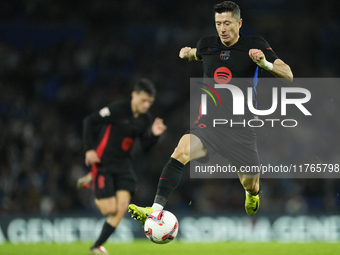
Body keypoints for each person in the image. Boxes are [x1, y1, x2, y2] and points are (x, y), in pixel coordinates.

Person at [128, 1, 293, 225]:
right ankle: (155, 211)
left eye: (227, 23)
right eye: (218, 23)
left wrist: (266, 64)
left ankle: (252, 194)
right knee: (181, 151)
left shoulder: (255, 45)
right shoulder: (207, 45)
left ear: (239, 22)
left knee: (250, 184)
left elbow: (288, 75)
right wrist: (188, 53)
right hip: (209, 126)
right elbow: (201, 54)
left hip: (241, 131)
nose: (222, 28)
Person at [79, 78, 166, 254]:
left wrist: (154, 135)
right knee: (108, 209)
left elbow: (145, 146)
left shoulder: (145, 119)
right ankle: (92, 179)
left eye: (149, 102)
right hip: (103, 164)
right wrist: (89, 150)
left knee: (121, 209)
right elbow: (89, 121)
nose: (146, 105)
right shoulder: (117, 109)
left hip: (124, 166)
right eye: (143, 100)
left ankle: (96, 247)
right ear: (134, 95)